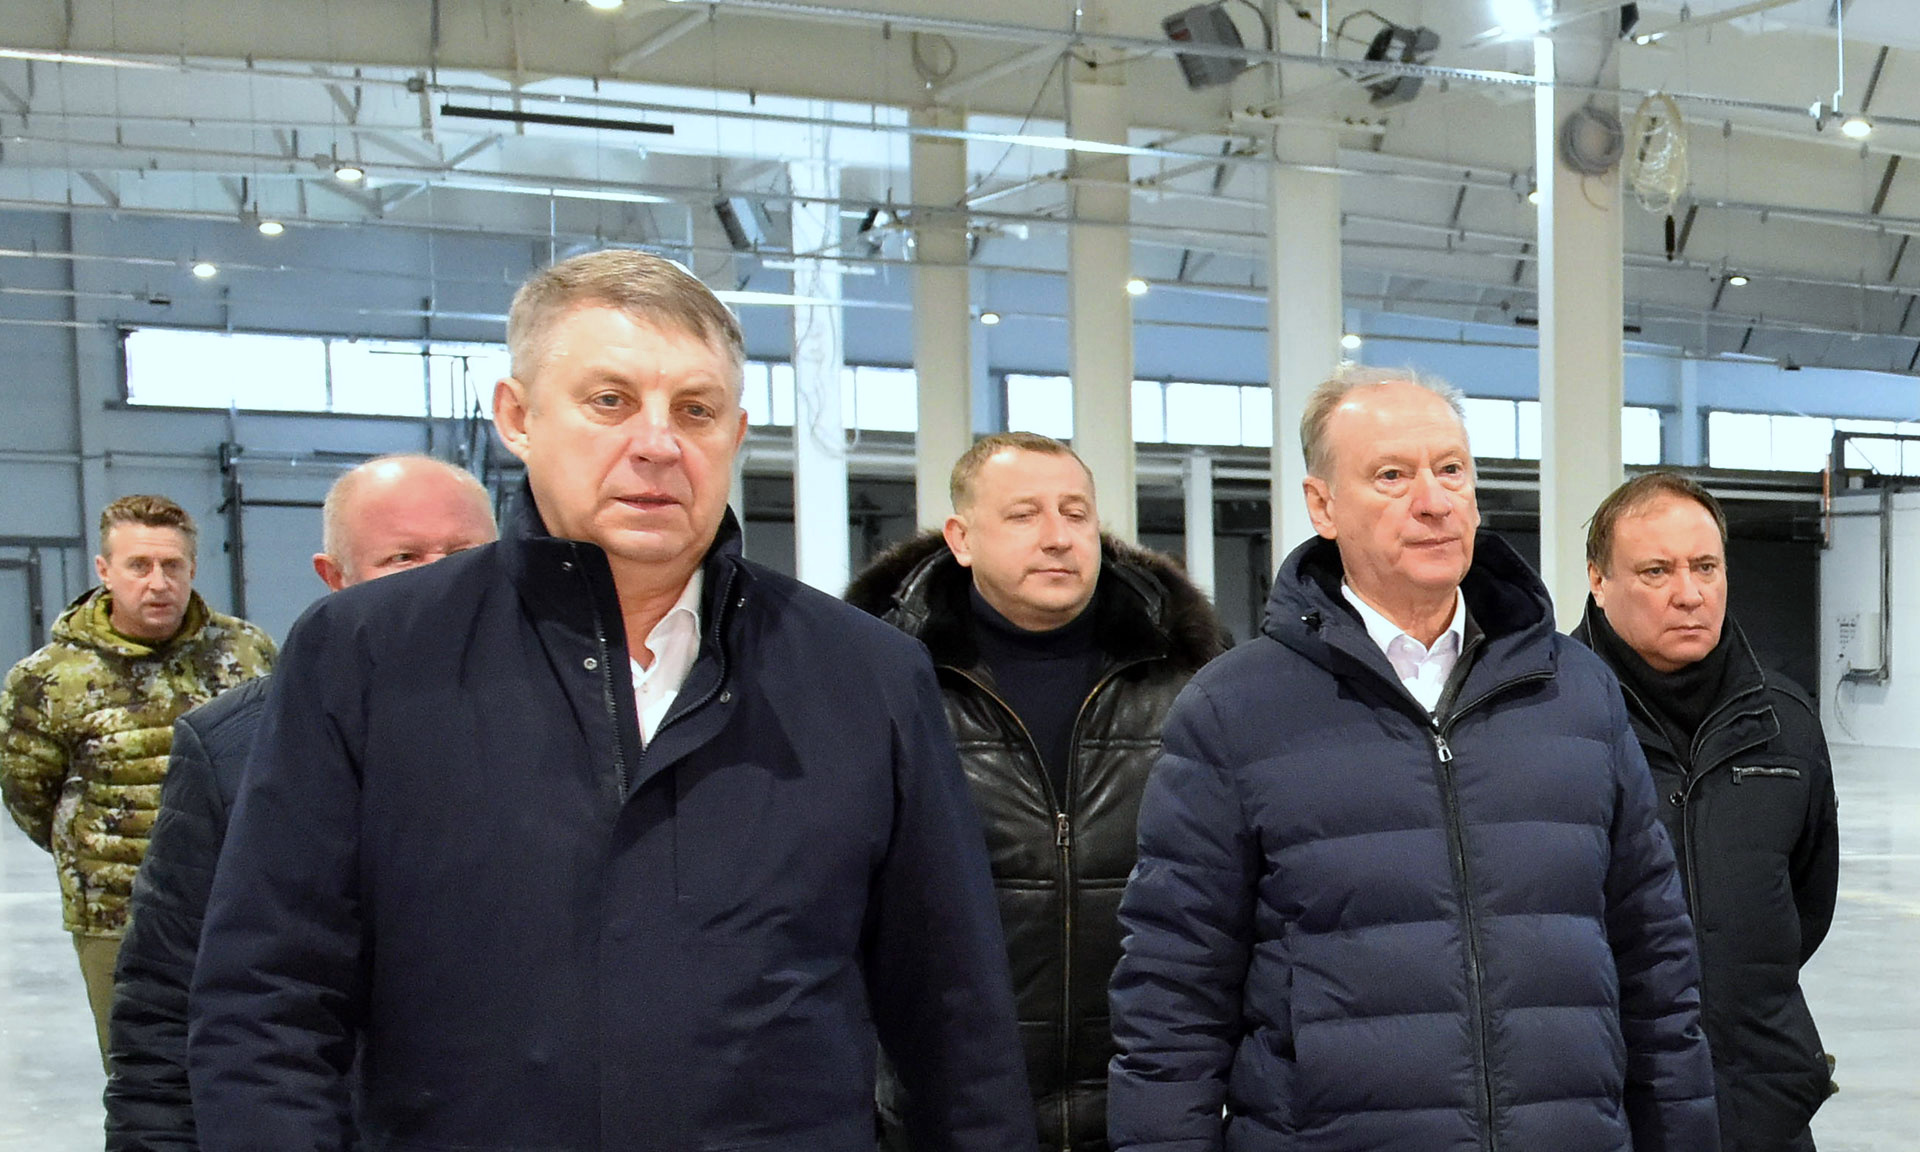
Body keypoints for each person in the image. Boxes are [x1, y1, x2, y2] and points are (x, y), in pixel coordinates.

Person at [187, 249, 1035, 1152]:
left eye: (696, 410)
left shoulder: (866, 676)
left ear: (736, 434)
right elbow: (269, 998)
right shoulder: (368, 655)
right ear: (518, 417)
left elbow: (954, 1019)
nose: (658, 444)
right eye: (610, 400)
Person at [1107, 367, 1719, 1151]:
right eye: (1391, 476)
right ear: (1322, 505)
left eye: (1451, 470)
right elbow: (1173, 994)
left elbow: (1655, 966)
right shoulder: (1234, 709)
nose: (1434, 501)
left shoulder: (1577, 692)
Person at [104, 454, 500, 1152]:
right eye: (403, 558)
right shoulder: (234, 749)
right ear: (334, 577)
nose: (440, 581)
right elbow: (169, 1010)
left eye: (465, 556)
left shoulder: (575, 728)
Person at [847, 432, 1226, 1152]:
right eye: (1024, 515)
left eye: (1075, 513)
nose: (1058, 537)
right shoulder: (881, 683)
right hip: (951, 1112)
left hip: (1148, 1108)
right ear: (961, 538)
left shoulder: (1191, 679)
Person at [1573, 471, 1839, 1152]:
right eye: (1656, 571)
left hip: (1764, 1107)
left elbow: (1807, 905)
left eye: (1705, 567)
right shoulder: (1547, 720)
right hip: (1608, 1106)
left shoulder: (1785, 722)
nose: (1689, 593)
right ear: (1598, 580)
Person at [1, 494, 275, 1064]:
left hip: (237, 899)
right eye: (139, 566)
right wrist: (96, 849)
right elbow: (29, 794)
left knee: (251, 1059)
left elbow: (279, 759)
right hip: (114, 914)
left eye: (172, 565)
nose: (158, 583)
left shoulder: (247, 653)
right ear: (104, 571)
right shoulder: (48, 679)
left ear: (192, 568)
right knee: (142, 1072)